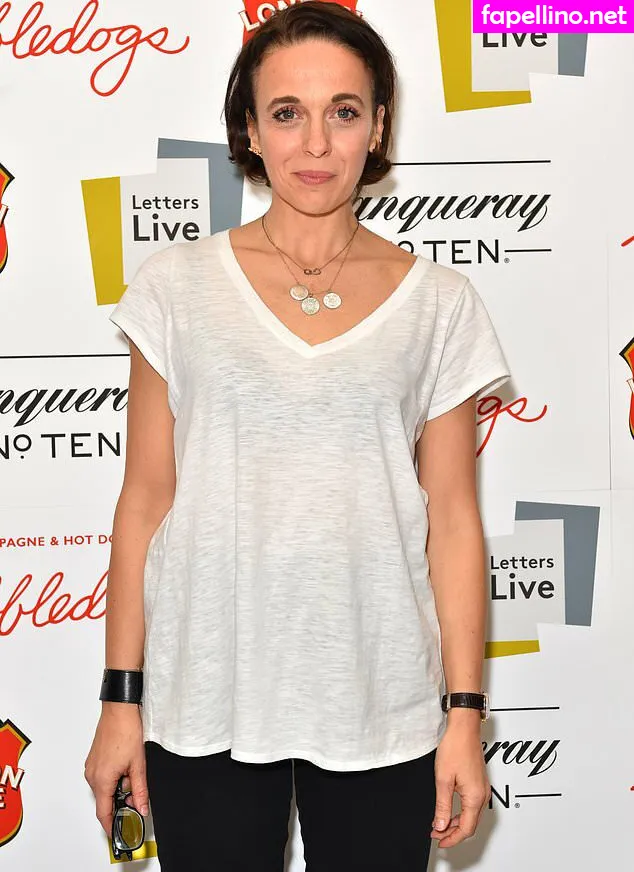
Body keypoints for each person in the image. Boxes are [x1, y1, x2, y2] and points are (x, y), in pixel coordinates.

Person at [84, 2, 511, 870]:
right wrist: (120, 701)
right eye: (287, 113)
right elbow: (145, 503)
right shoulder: (175, 288)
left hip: (383, 704)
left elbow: (454, 523)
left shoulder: (440, 303)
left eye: (343, 112)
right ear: (249, 128)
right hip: (204, 700)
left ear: (377, 125)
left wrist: (464, 715)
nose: (316, 144)